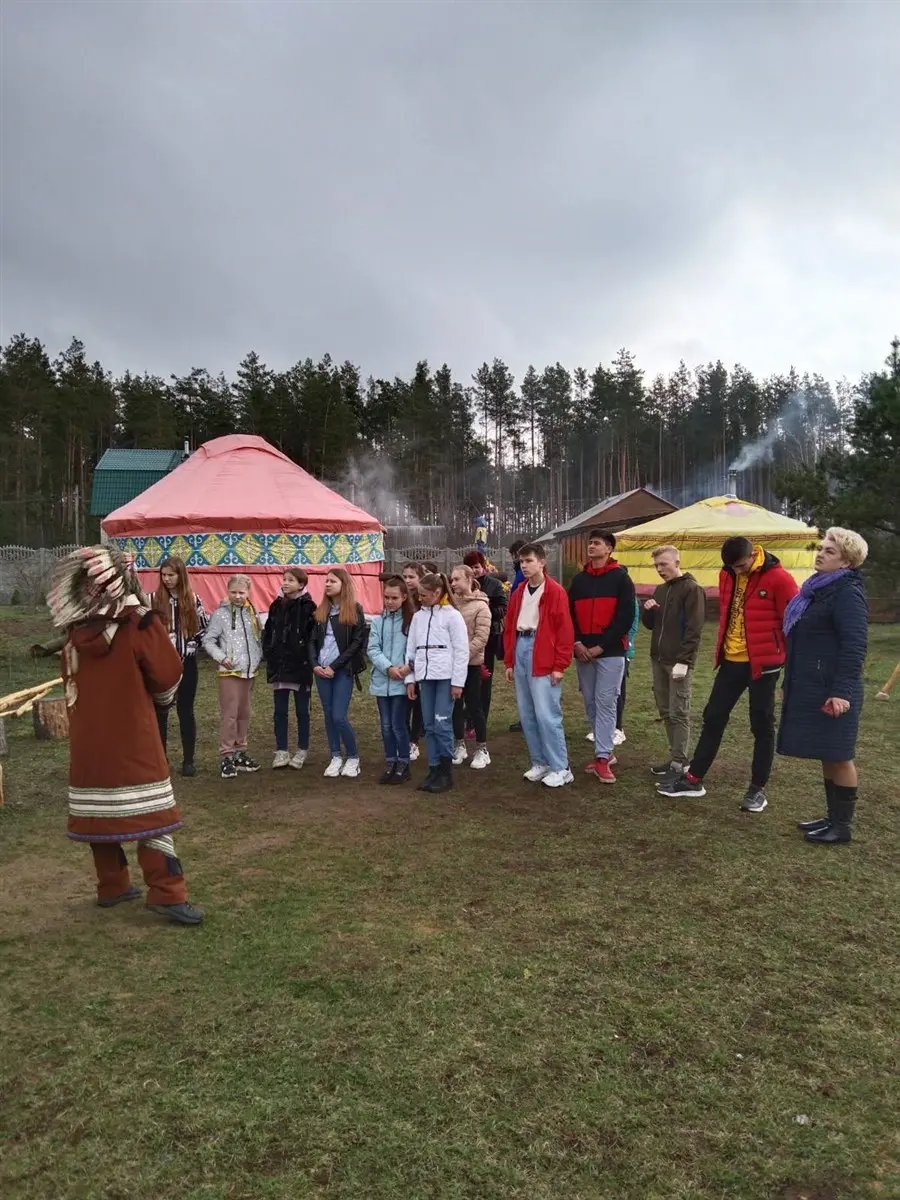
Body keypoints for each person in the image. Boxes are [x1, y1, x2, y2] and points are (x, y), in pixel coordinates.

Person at [46, 546, 203, 925]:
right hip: (133, 735)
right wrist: (160, 701)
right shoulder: (140, 622)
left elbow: (70, 680)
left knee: (102, 810)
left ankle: (112, 884)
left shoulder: (74, 630)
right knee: (151, 812)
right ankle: (167, 891)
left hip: (89, 740)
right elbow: (167, 676)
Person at [656, 535, 798, 811]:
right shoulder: (727, 574)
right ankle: (693, 779)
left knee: (762, 724)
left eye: (741, 566)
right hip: (732, 661)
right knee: (713, 717)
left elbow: (793, 623)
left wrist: (791, 669)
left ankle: (757, 789)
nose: (737, 571)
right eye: (732, 567)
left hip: (764, 665)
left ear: (753, 554)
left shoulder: (780, 579)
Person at [778, 528, 870, 844]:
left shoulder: (847, 594)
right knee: (827, 753)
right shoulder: (817, 590)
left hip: (835, 688)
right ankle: (832, 817)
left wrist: (841, 691)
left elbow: (854, 646)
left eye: (830, 551)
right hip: (815, 684)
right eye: (821, 547)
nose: (820, 553)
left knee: (840, 754)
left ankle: (842, 827)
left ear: (846, 562)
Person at [568, 529, 636, 784]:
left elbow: (625, 618)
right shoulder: (579, 580)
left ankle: (603, 756)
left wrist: (601, 647)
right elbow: (569, 614)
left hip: (611, 652)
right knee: (590, 702)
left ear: (609, 548)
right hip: (583, 652)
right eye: (590, 543)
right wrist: (577, 642)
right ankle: (604, 749)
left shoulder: (621, 579)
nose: (591, 546)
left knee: (606, 701)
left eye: (596, 543)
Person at [504, 542, 575, 788]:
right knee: (527, 713)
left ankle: (561, 767)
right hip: (521, 647)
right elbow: (510, 626)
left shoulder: (555, 592)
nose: (524, 566)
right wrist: (510, 660)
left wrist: (559, 665)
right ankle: (540, 762)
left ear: (542, 562)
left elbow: (565, 631)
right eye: (521, 562)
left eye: (529, 561)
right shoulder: (518, 592)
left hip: (542, 650)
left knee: (547, 714)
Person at [640, 545, 706, 780]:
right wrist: (647, 611)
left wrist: (685, 661)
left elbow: (694, 629)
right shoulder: (660, 590)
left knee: (679, 711)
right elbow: (650, 625)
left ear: (677, 563)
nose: (660, 569)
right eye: (656, 565)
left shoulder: (692, 589)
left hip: (677, 662)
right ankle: (675, 757)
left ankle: (681, 762)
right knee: (666, 711)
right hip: (658, 659)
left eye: (664, 564)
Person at [406, 572, 469, 793]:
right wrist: (410, 679)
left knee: (442, 723)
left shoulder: (452, 616)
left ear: (437, 593)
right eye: (419, 594)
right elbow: (411, 650)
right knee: (430, 725)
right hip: (425, 676)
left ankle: (445, 770)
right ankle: (433, 768)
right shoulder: (417, 617)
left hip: (445, 677)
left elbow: (462, 651)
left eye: (424, 595)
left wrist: (458, 682)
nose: (420, 598)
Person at [308, 569, 368, 778]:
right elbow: (312, 641)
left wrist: (334, 666)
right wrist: (315, 664)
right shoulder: (321, 611)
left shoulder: (354, 610)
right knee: (328, 715)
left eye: (332, 581)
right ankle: (335, 756)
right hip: (321, 671)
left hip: (342, 671)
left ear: (344, 584)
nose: (327, 584)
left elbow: (356, 643)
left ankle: (353, 757)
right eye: (326, 581)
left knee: (338, 716)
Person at [152, 556, 208, 777]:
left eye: (171, 575)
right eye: (163, 575)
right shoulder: (154, 600)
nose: (167, 579)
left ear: (181, 576)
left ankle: (188, 760)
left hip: (187, 663)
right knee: (160, 713)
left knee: (185, 710)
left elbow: (203, 630)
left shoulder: (193, 600)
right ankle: (160, 760)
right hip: (162, 665)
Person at [204, 574, 263, 780]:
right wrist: (221, 658)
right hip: (229, 671)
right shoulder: (219, 615)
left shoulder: (251, 612)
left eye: (241, 592)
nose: (238, 596)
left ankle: (240, 751)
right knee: (230, 714)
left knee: (244, 713)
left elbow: (256, 637)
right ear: (227, 592)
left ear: (248, 593)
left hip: (249, 670)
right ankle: (226, 755)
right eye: (234, 592)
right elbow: (209, 640)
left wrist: (258, 656)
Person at [262, 568, 316, 770]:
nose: (285, 583)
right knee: (280, 711)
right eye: (284, 579)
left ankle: (302, 750)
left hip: (300, 667)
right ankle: (282, 750)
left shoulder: (309, 606)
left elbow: (312, 637)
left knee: (302, 711)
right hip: (279, 665)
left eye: (290, 580)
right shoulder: (276, 605)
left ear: (301, 584)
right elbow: (269, 631)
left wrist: (307, 659)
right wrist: (269, 652)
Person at [369, 576, 415, 784]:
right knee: (385, 726)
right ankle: (391, 761)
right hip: (382, 680)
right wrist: (387, 668)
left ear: (404, 597)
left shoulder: (412, 621)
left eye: (394, 598)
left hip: (401, 682)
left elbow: (415, 649)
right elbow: (372, 648)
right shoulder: (378, 622)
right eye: (386, 597)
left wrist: (406, 669)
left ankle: (403, 762)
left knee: (398, 725)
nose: (389, 601)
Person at [449, 564, 492, 770]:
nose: (453, 583)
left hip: (471, 665)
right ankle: (459, 745)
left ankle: (482, 749)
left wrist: (461, 656)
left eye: (457, 579)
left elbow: (481, 637)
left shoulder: (481, 606)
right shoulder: (449, 604)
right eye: (452, 579)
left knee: (474, 706)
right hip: (451, 665)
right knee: (455, 706)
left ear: (469, 579)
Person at [462, 550, 508, 723]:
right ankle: (467, 717)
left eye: (477, 567)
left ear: (483, 566)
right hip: (467, 637)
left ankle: (480, 719)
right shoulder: (462, 584)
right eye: (470, 567)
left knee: (484, 680)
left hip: (488, 637)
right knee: (467, 679)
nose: (474, 571)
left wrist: (483, 611)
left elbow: (503, 608)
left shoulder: (494, 584)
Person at [401, 562, 427, 759]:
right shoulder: (399, 601)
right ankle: (404, 737)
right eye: (405, 577)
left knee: (416, 701)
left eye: (412, 577)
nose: (408, 580)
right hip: (401, 657)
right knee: (403, 702)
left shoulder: (424, 604)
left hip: (420, 659)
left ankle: (414, 740)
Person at [612, 596, 641, 746]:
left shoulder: (630, 598)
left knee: (618, 689)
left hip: (622, 651)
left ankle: (618, 728)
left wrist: (624, 644)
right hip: (607, 651)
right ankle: (604, 727)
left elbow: (633, 626)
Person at [507, 539, 528, 732]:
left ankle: (528, 718)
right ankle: (526, 717)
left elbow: (517, 596)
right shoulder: (519, 573)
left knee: (527, 683)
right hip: (520, 629)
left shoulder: (522, 574)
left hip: (523, 629)